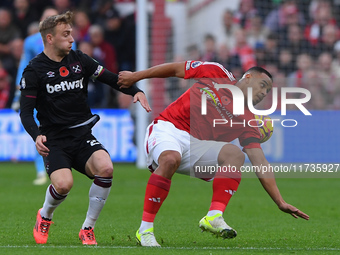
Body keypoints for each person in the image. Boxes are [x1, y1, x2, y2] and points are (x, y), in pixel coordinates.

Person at [118, 60, 310, 247]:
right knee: (170, 158)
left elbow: (260, 161)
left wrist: (280, 201)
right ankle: (145, 230)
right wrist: (136, 76)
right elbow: (176, 68)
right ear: (248, 77)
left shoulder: (248, 120)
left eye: (267, 91)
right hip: (169, 129)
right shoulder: (216, 72)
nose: (263, 93)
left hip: (196, 147)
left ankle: (214, 216)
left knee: (236, 155)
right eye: (262, 85)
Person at [19, 11, 151, 245]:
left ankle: (87, 228)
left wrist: (136, 90)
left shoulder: (80, 60)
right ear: (50, 38)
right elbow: (26, 112)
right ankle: (45, 215)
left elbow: (111, 78)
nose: (72, 38)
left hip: (82, 136)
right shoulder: (34, 71)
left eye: (72, 33)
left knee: (106, 168)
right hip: (55, 140)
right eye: (66, 34)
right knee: (63, 184)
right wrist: (36, 135)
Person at [12, 7, 75, 185]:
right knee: (40, 132)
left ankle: (66, 166)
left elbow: (74, 64)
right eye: (47, 17)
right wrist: (20, 89)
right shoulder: (30, 42)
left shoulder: (68, 40)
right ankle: (42, 170)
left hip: (61, 91)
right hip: (39, 92)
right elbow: (24, 64)